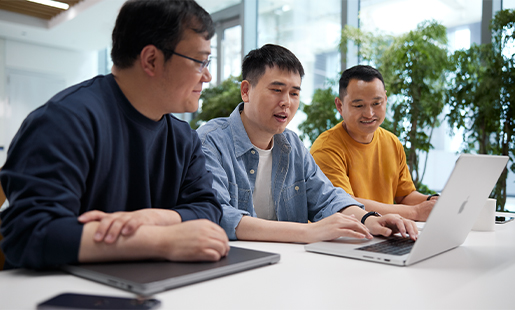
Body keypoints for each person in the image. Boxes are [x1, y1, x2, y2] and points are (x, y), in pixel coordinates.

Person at [0, 0, 230, 270]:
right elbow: (30, 233)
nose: (207, 76)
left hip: (147, 283)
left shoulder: (183, 138)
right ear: (151, 60)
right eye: (200, 62)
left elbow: (208, 208)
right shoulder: (65, 120)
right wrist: (159, 240)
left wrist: (154, 219)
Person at [196, 44, 418, 243]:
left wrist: (369, 219)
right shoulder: (209, 142)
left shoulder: (291, 144)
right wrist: (307, 232)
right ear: (246, 91)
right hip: (236, 271)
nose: (286, 102)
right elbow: (218, 215)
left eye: (294, 93)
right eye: (277, 90)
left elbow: (328, 198)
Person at [310, 65, 438, 222]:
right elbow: (346, 207)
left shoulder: (392, 142)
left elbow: (404, 195)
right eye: (359, 105)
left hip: (384, 232)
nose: (369, 113)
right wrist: (415, 212)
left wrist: (434, 201)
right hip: (345, 238)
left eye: (376, 103)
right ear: (339, 106)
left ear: (385, 99)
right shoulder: (326, 149)